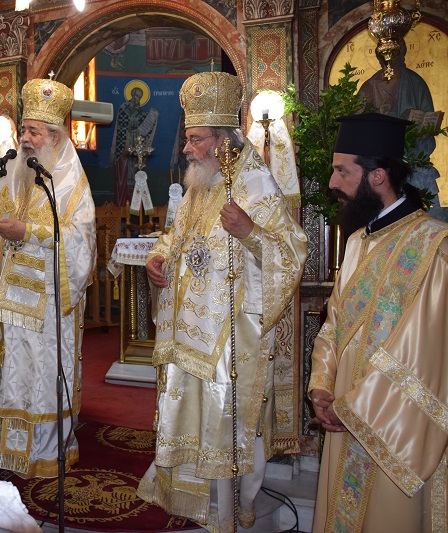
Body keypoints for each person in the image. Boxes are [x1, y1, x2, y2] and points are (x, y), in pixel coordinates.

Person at [136, 71, 307, 532]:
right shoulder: (200, 182)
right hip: (187, 327)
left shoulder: (255, 183)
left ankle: (226, 510)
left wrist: (250, 232)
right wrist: (157, 258)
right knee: (187, 408)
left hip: (228, 334)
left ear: (223, 139)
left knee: (223, 416)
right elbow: (176, 235)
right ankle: (185, 496)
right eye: (188, 139)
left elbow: (292, 252)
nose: (186, 149)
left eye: (195, 140)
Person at [0, 77, 96, 478]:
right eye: (24, 130)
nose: (25, 138)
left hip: (46, 308)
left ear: (55, 136)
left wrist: (29, 233)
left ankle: (44, 452)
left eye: (34, 132)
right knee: (9, 374)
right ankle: (6, 449)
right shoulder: (10, 168)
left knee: (39, 379)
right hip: (5, 302)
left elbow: (82, 241)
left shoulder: (69, 179)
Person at [308, 113, 448, 531]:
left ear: (378, 176)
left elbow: (423, 356)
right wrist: (322, 386)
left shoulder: (434, 247)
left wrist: (352, 409)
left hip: (393, 428)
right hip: (342, 413)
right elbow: (334, 322)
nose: (332, 183)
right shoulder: (357, 242)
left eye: (341, 171)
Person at [358, 41, 447, 221]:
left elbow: (428, 119)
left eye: (395, 54)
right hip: (381, 165)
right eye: (386, 55)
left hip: (413, 163)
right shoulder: (369, 87)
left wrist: (420, 127)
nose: (390, 60)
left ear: (402, 54)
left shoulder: (415, 83)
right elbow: (358, 128)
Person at [109, 84, 158, 206]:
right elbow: (122, 126)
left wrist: (152, 116)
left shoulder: (140, 111)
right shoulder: (123, 108)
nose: (138, 99)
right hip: (125, 142)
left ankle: (134, 204)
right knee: (124, 172)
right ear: (132, 95)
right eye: (136, 96)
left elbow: (144, 124)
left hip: (136, 142)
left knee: (135, 169)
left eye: (140, 97)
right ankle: (122, 204)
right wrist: (125, 144)